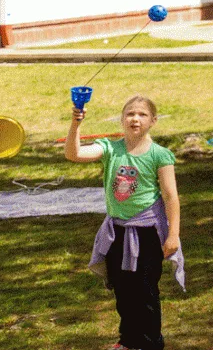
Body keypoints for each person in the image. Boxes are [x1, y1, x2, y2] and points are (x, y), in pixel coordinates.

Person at [66, 96, 185, 350]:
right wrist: (76, 123)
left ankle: (151, 344)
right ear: (121, 120)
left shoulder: (160, 155)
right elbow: (73, 154)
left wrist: (173, 235)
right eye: (130, 114)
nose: (135, 118)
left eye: (142, 114)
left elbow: (170, 196)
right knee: (123, 291)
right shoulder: (110, 148)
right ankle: (129, 341)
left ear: (153, 120)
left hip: (147, 233)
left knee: (145, 292)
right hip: (116, 232)